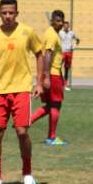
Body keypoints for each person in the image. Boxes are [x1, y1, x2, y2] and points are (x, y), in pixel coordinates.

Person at [0, 0, 51, 184]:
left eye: (11, 12)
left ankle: (27, 173)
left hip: (21, 89)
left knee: (22, 132)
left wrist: (39, 82)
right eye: (4, 13)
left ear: (17, 13)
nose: (7, 16)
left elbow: (40, 54)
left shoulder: (27, 32)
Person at [30, 9, 69, 145]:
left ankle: (28, 121)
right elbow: (47, 55)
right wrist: (46, 77)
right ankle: (52, 137)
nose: (59, 24)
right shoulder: (52, 35)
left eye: (61, 21)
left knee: (50, 105)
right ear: (52, 21)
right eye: (57, 21)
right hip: (52, 74)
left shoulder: (50, 33)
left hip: (53, 74)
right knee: (56, 105)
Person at [59, 19, 79, 90]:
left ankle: (65, 85)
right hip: (62, 52)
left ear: (69, 26)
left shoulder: (72, 33)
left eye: (67, 26)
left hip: (69, 52)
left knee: (66, 69)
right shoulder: (60, 32)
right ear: (63, 26)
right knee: (58, 66)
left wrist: (74, 46)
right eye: (65, 26)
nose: (66, 27)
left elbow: (78, 40)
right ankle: (60, 82)